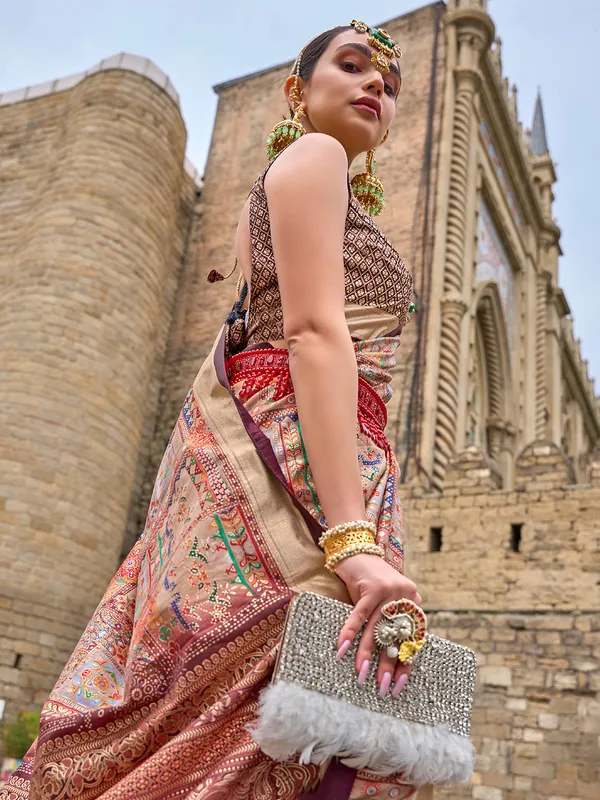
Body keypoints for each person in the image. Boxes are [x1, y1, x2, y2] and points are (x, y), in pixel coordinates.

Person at [1, 21, 427, 800]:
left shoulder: (289, 186)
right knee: (282, 707)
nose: (376, 87)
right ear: (297, 90)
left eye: (391, 86)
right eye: (354, 65)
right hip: (304, 469)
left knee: (256, 720)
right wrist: (351, 535)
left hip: (328, 454)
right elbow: (312, 333)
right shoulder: (316, 156)